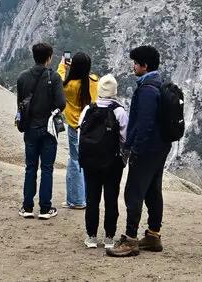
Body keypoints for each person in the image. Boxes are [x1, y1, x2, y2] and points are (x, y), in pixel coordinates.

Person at [107, 46, 170, 257]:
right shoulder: (159, 85)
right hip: (160, 148)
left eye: (135, 63)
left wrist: (134, 150)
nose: (133, 66)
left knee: (133, 192)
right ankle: (153, 235)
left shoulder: (146, 91)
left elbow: (143, 125)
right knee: (153, 191)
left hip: (146, 150)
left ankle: (131, 239)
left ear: (144, 66)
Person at [16, 42, 66, 220]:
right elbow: (61, 104)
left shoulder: (23, 77)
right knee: (47, 168)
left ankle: (27, 206)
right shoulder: (54, 78)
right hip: (49, 130)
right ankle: (45, 208)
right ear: (49, 57)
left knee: (30, 168)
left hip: (30, 128)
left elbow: (21, 104)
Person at [78, 74, 128, 250]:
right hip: (112, 163)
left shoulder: (88, 110)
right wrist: (122, 158)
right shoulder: (119, 111)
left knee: (92, 198)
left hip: (90, 162)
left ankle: (91, 237)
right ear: (114, 91)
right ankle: (109, 237)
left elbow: (80, 135)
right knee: (111, 199)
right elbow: (125, 138)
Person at [57, 52, 98, 210]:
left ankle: (77, 200)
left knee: (75, 161)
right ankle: (87, 198)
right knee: (88, 162)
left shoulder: (69, 86)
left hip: (75, 127)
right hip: (91, 127)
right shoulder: (94, 81)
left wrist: (63, 66)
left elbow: (58, 81)